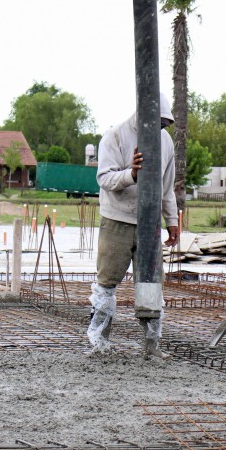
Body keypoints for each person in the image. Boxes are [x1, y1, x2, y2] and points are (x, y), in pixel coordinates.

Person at [87, 92, 180, 359]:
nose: (161, 128)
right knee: (107, 282)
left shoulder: (165, 142)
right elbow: (104, 178)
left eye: (164, 123)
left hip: (149, 223)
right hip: (117, 220)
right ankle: (99, 341)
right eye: (158, 122)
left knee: (151, 284)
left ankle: (151, 346)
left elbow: (167, 187)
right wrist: (131, 174)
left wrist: (171, 220)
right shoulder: (115, 136)